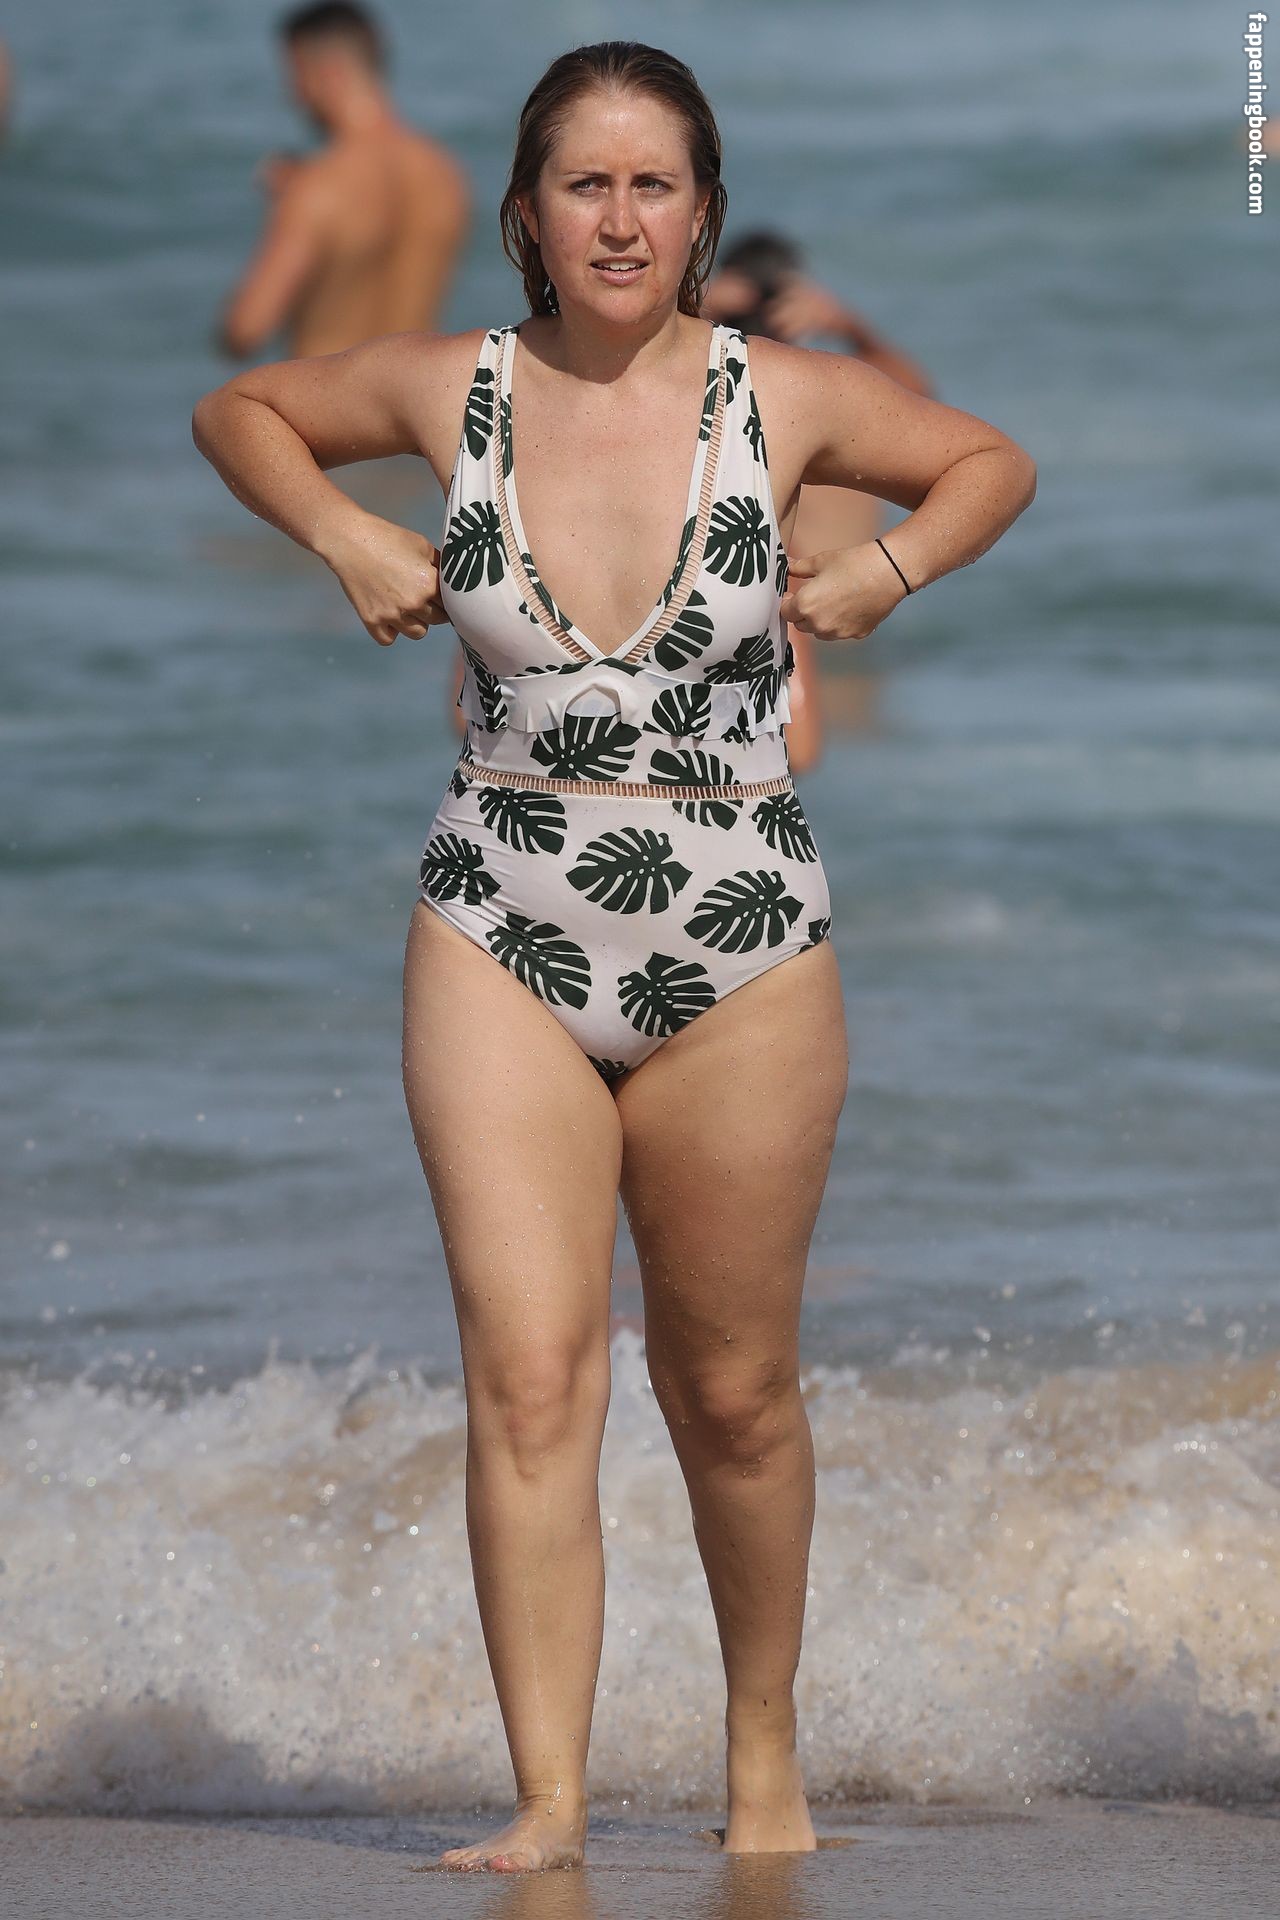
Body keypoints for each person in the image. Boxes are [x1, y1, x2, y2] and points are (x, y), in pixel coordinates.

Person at [192, 38, 1035, 1872]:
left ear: (704, 211)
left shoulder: (782, 396)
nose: (623, 218)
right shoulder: (453, 386)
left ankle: (762, 1762)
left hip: (743, 937)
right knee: (528, 1379)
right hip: (497, 915)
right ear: (527, 213)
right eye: (587, 183)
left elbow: (989, 461)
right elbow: (242, 407)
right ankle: (551, 1804)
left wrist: (887, 574)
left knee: (732, 1393)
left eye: (657, 185)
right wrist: (342, 532)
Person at [703, 231, 937, 772]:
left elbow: (924, 407)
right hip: (833, 656)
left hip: (802, 658)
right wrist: (849, 327)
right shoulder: (833, 414)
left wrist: (845, 325)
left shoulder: (824, 409)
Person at [216, 0, 469, 360]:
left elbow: (245, 331)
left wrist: (283, 209)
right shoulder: (444, 174)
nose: (293, 95)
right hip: (413, 392)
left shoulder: (318, 187)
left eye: (296, 76)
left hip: (326, 394)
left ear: (329, 73)